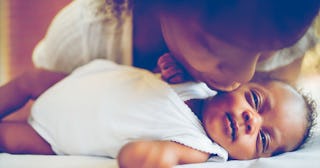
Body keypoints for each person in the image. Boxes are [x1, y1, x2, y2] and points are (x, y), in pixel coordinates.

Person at [0, 59, 316, 168]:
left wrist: (156, 158)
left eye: (262, 138)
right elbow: (150, 86)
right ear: (236, 84)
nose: (252, 120)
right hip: (83, 82)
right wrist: (169, 68)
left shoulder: (200, 148)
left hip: (60, 135)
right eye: (256, 101)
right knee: (31, 79)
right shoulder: (201, 84)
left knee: (9, 137)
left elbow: (141, 154)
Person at [31, 0, 320, 91]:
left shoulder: (283, 37)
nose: (245, 76)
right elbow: (33, 108)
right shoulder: (84, 36)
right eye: (213, 47)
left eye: (271, 48)